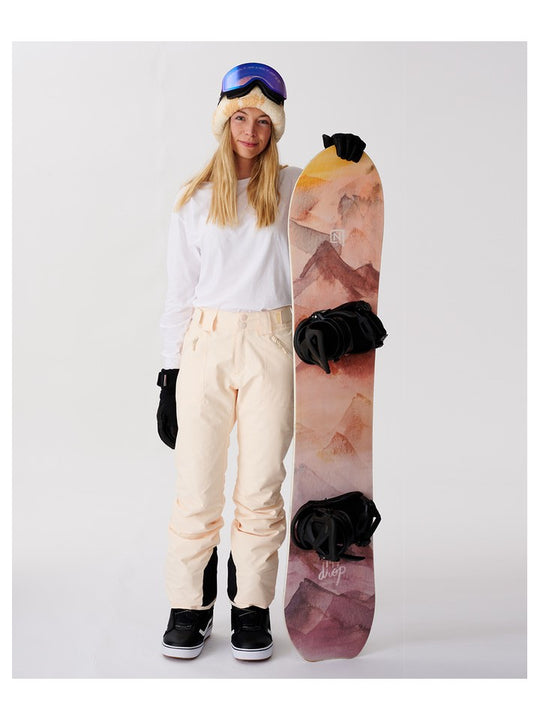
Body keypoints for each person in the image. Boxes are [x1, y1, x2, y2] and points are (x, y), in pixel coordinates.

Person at [156, 62, 365, 661]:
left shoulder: (295, 188)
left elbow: (349, 211)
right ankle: (189, 608)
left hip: (272, 343)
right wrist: (168, 375)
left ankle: (251, 608)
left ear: (276, 127)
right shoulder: (195, 199)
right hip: (206, 344)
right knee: (196, 487)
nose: (250, 130)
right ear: (224, 122)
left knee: (261, 487)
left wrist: (347, 167)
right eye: (240, 118)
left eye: (263, 121)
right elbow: (179, 294)